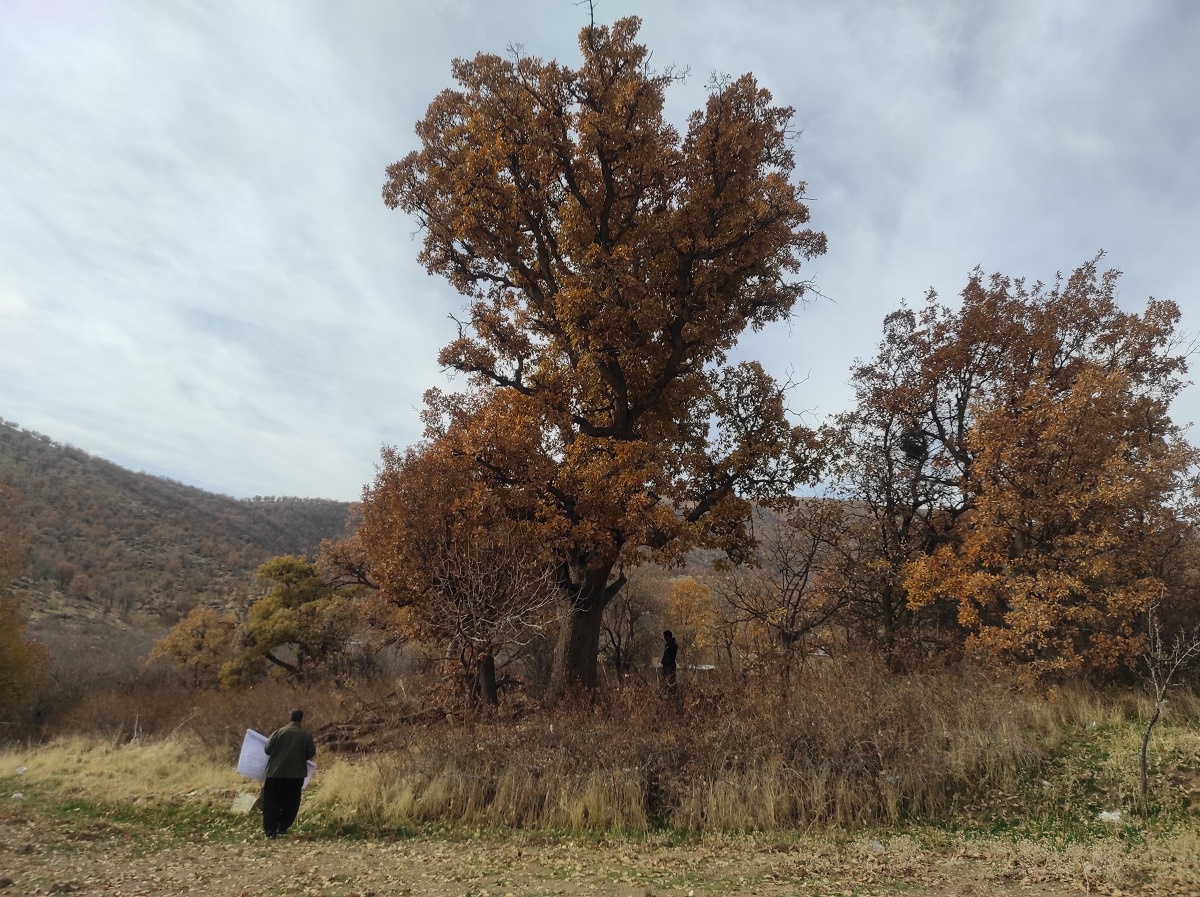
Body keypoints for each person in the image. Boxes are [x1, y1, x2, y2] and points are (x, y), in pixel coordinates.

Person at [262, 708, 316, 840]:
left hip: (275, 773)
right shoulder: (305, 735)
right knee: (291, 803)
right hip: (296, 775)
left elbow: (267, 750)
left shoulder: (279, 732)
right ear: (301, 719)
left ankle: (270, 831)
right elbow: (311, 753)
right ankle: (283, 826)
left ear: (290, 718)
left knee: (271, 802)